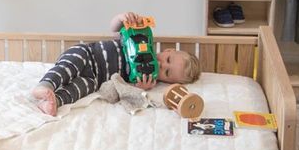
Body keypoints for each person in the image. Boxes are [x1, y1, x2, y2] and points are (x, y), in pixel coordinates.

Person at [32, 12, 201, 116]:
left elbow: (121, 88)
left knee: (79, 90)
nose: (162, 64)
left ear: (167, 81)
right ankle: (46, 85)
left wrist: (138, 87)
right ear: (168, 51)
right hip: (88, 54)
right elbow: (114, 29)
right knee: (67, 68)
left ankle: (54, 102)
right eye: (168, 60)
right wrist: (121, 18)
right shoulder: (140, 40)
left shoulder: (147, 78)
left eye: (167, 72)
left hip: (95, 79)